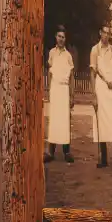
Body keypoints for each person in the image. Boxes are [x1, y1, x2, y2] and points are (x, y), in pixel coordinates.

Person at [89, 26, 112, 173]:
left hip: (110, 90)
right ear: (100, 33)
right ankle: (104, 159)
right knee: (101, 123)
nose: (106, 35)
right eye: (104, 32)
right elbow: (92, 73)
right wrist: (93, 95)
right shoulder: (94, 50)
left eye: (108, 33)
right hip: (100, 88)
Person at [44, 28, 73, 163]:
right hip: (55, 88)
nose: (61, 39)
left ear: (65, 39)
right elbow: (50, 73)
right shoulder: (52, 53)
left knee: (65, 120)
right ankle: (51, 152)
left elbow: (71, 77)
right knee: (54, 120)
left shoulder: (68, 55)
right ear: (56, 37)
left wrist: (72, 95)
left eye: (63, 37)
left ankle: (67, 152)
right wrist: (49, 90)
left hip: (64, 89)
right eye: (59, 36)